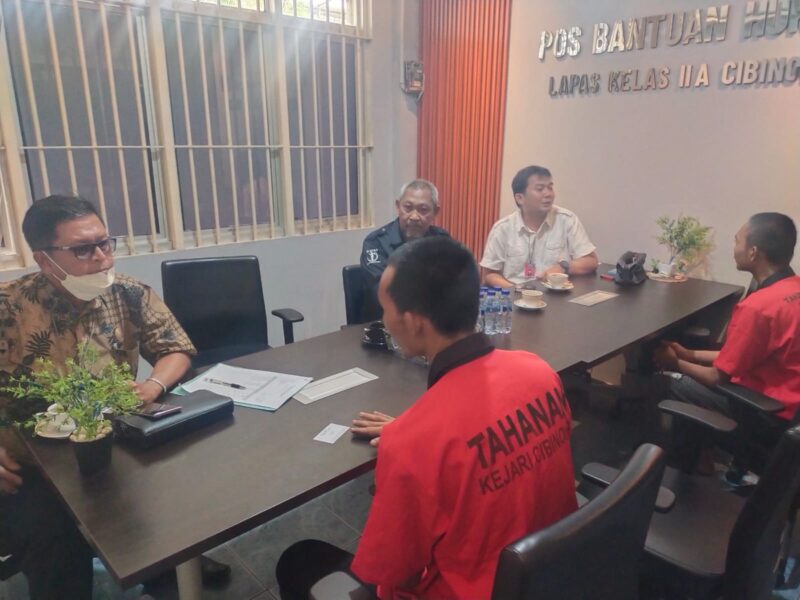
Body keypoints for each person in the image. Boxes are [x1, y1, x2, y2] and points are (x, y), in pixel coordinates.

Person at [277, 237, 577, 599]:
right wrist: (417, 434)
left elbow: (392, 572)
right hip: (552, 576)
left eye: (384, 310)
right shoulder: (539, 372)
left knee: (298, 559)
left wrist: (414, 443)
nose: (383, 320)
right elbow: (490, 430)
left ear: (414, 322)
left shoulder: (414, 443)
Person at [0, 195, 224, 599]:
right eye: (83, 249)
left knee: (174, 491)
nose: (102, 258)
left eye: (105, 243)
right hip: (30, 464)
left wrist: (153, 385)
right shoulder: (8, 307)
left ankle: (168, 568)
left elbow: (176, 348)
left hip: (113, 441)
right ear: (44, 259)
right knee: (57, 544)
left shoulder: (128, 293)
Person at [654, 213, 800, 472]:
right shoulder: (793, 290)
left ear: (753, 252)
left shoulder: (758, 307)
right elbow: (742, 355)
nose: (734, 249)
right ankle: (704, 458)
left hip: (766, 413)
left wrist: (674, 363)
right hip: (789, 406)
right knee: (690, 375)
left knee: (674, 383)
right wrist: (689, 354)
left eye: (737, 241)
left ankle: (685, 468)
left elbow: (716, 377)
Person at [481, 165, 598, 288]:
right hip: (515, 293)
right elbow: (490, 274)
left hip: (555, 295)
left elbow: (591, 261)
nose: (548, 194)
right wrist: (516, 290)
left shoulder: (567, 220)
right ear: (520, 198)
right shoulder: (502, 229)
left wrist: (563, 267)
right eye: (540, 189)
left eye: (550, 187)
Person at [359, 179, 449, 318]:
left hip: (432, 322)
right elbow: (384, 292)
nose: (414, 216)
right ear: (398, 206)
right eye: (408, 207)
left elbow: (454, 285)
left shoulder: (442, 240)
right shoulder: (376, 242)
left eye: (423, 210)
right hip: (385, 323)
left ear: (436, 212)